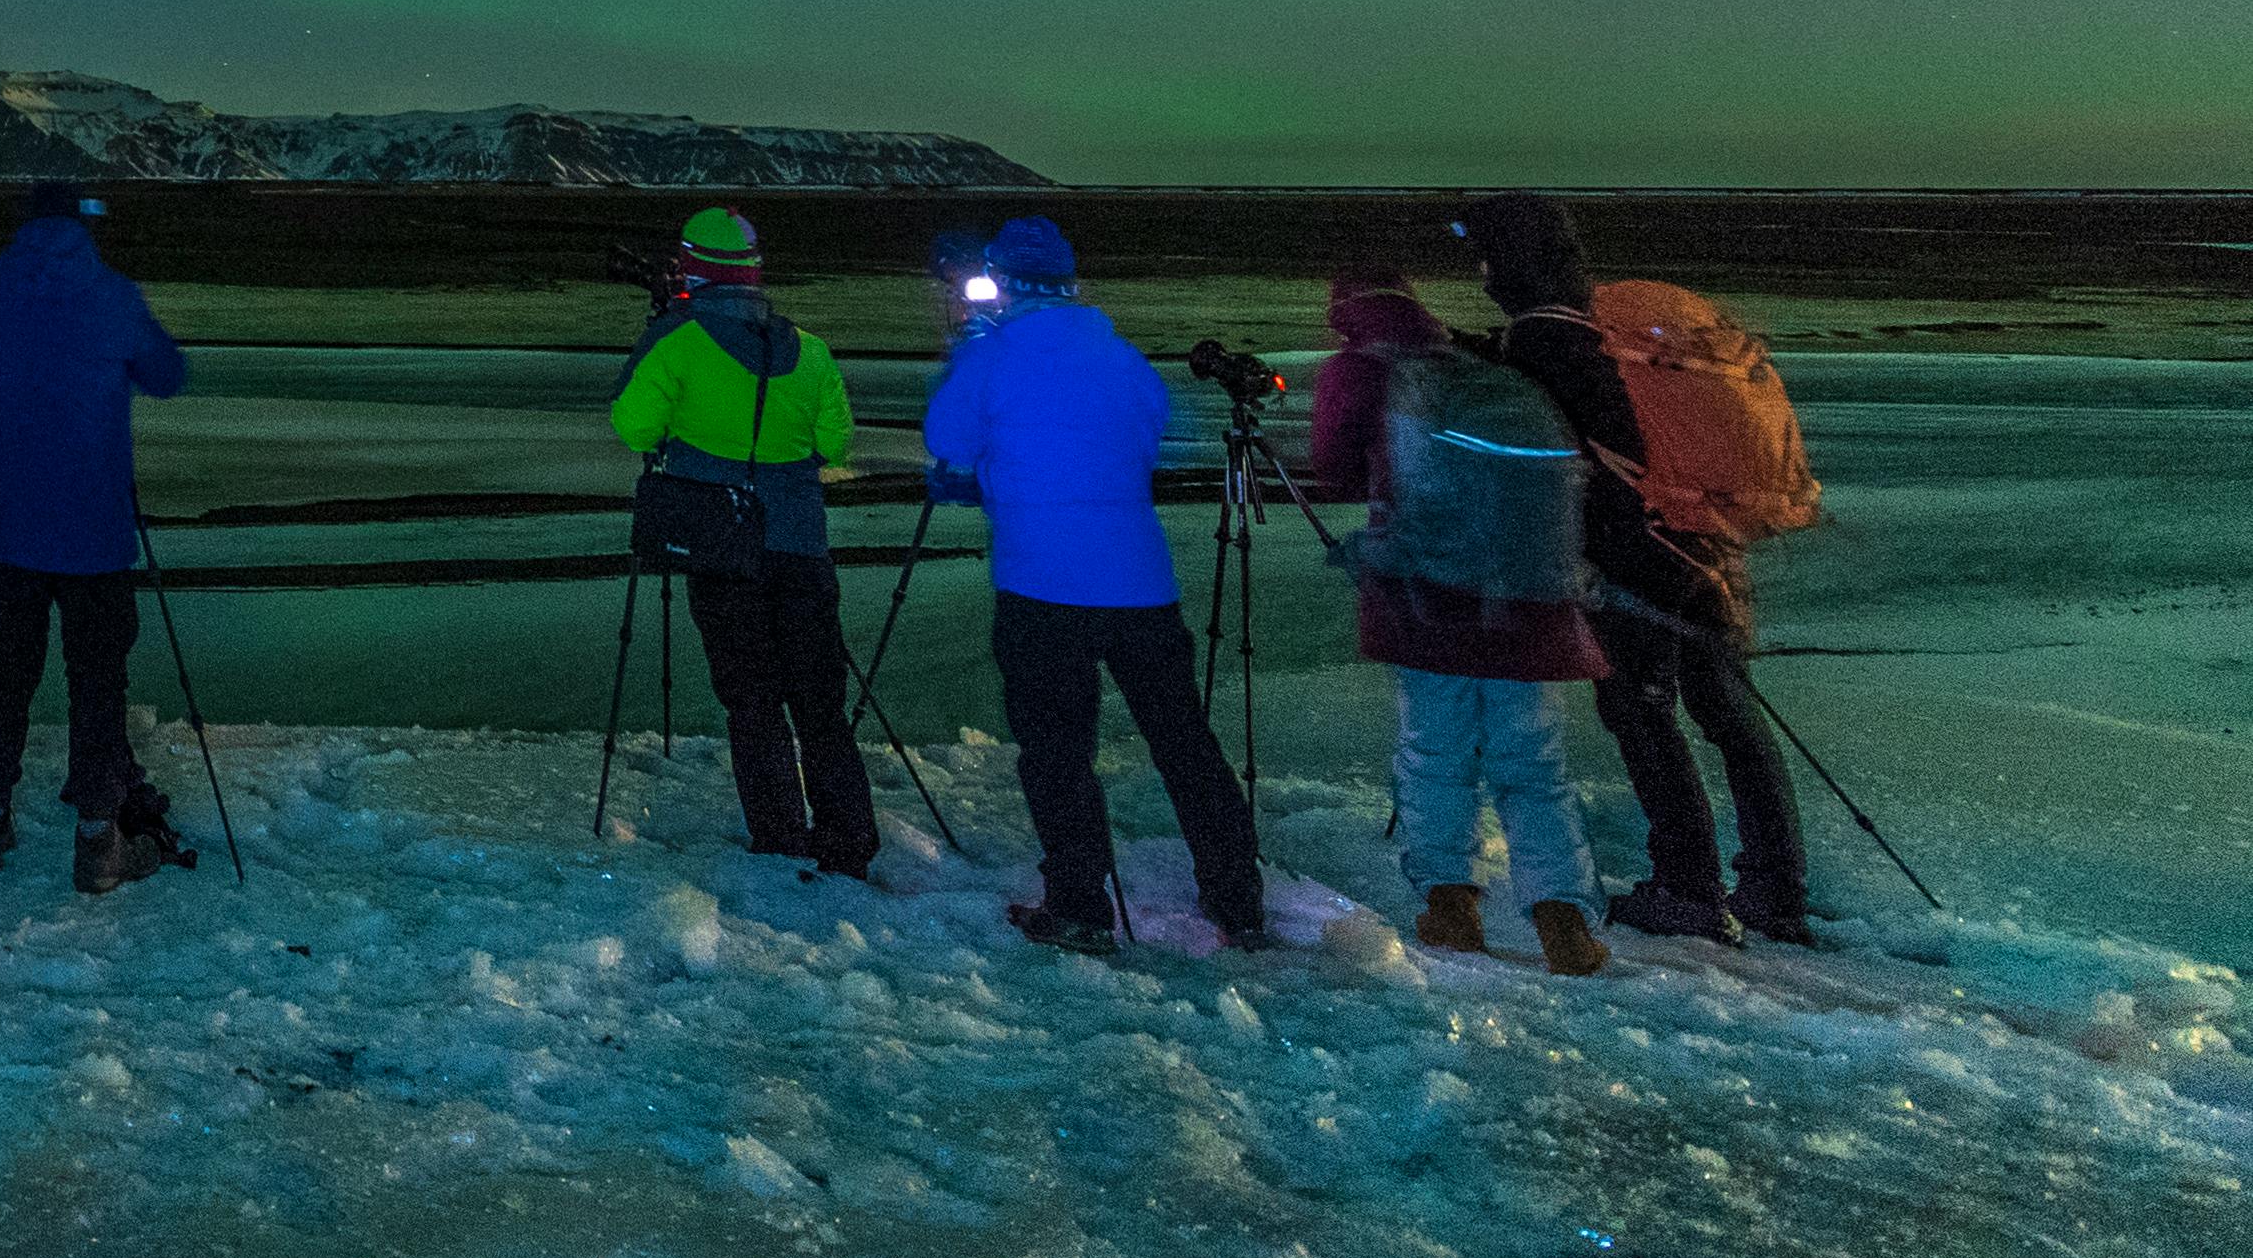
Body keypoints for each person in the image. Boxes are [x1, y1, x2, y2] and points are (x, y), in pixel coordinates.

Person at [1460, 188, 1810, 947]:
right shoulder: (1604, 325)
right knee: (1728, 710)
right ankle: (1776, 888)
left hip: (1634, 559)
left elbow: (1548, 449)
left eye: (1484, 251)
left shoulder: (1541, 341)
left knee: (1642, 713)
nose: (1480, 268)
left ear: (1506, 260)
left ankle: (1688, 887)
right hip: (1707, 538)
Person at [918, 217, 1271, 952]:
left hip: (1042, 583)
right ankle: (1237, 897)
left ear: (1003, 281)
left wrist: (967, 358)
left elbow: (948, 441)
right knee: (1183, 740)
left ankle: (1080, 904)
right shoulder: (1124, 360)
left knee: (1056, 747)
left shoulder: (992, 355)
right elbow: (1146, 441)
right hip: (1139, 582)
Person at [1308, 269, 1609, 976]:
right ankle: (1564, 920)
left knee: (1435, 753)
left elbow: (1335, 474)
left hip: (1430, 600)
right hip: (1530, 607)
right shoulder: (1476, 368)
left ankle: (1450, 907)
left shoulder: (1363, 373)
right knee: (1533, 765)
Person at [604, 206, 877, 879]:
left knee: (752, 697)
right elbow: (837, 443)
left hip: (722, 545)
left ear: (693, 266)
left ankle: (780, 835)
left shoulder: (678, 338)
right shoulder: (808, 349)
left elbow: (634, 427)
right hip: (801, 546)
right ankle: (848, 839)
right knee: (819, 700)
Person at [0, 179, 193, 893]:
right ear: (83, 224)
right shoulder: (112, 293)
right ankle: (97, 839)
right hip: (94, 528)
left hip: (10, 525)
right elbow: (168, 373)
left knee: (6, 669)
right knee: (97, 681)